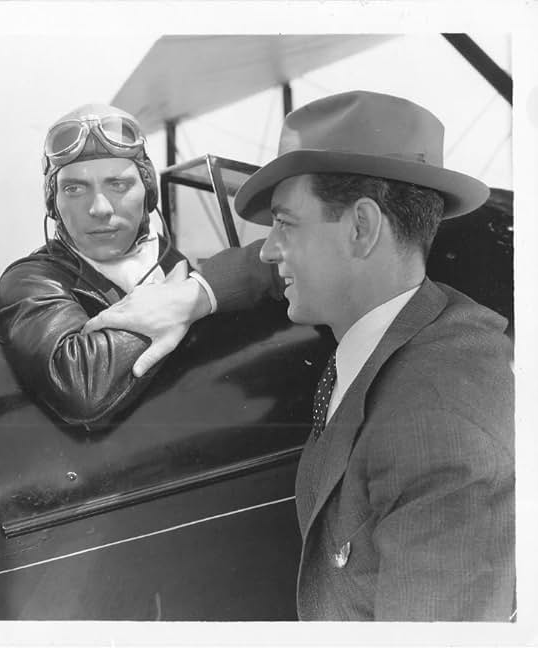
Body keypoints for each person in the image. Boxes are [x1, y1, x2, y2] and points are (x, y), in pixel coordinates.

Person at [84, 90, 514, 620]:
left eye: (285, 224)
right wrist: (196, 292)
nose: (266, 250)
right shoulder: (405, 324)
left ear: (362, 227)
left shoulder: (436, 433)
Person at [0, 103, 268, 426]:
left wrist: (198, 293)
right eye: (75, 189)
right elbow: (80, 383)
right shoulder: (29, 281)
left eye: (118, 185)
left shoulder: (174, 264)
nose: (100, 208)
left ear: (149, 191)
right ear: (54, 202)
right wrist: (176, 306)